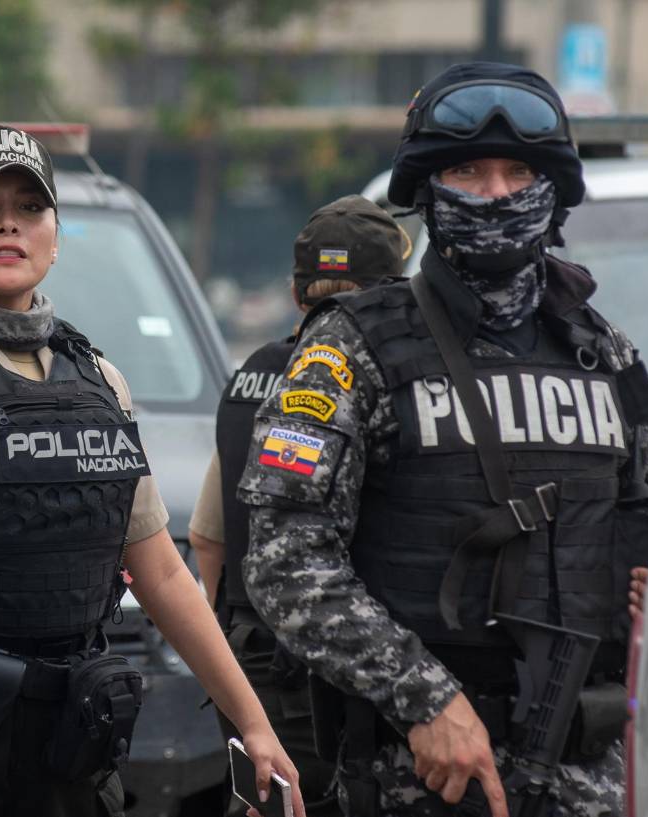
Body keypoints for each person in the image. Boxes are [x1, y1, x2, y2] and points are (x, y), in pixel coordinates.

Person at [236, 62, 648, 817]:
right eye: (468, 172)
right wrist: (424, 699)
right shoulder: (353, 346)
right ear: (429, 188)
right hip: (424, 775)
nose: (496, 194)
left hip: (590, 768)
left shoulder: (602, 351)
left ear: (551, 189)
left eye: (518, 172)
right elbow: (284, 560)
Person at [0, 125, 304, 817]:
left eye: (29, 206)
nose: (7, 223)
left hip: (68, 754)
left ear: (54, 238)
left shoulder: (98, 379)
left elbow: (163, 573)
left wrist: (253, 723)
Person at [189, 194, 409, 816]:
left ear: (295, 292)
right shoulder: (384, 385)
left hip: (252, 668)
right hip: (350, 674)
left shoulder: (252, 376)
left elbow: (207, 538)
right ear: (394, 294)